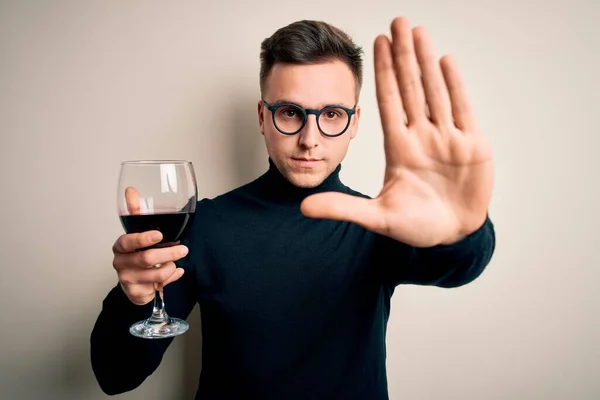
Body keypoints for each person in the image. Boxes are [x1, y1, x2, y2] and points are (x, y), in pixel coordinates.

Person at [91, 16, 496, 400]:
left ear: (354, 123)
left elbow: (459, 266)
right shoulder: (203, 226)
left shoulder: (381, 225)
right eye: (290, 112)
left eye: (332, 114)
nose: (309, 139)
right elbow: (116, 376)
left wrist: (461, 230)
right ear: (262, 118)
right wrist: (135, 298)